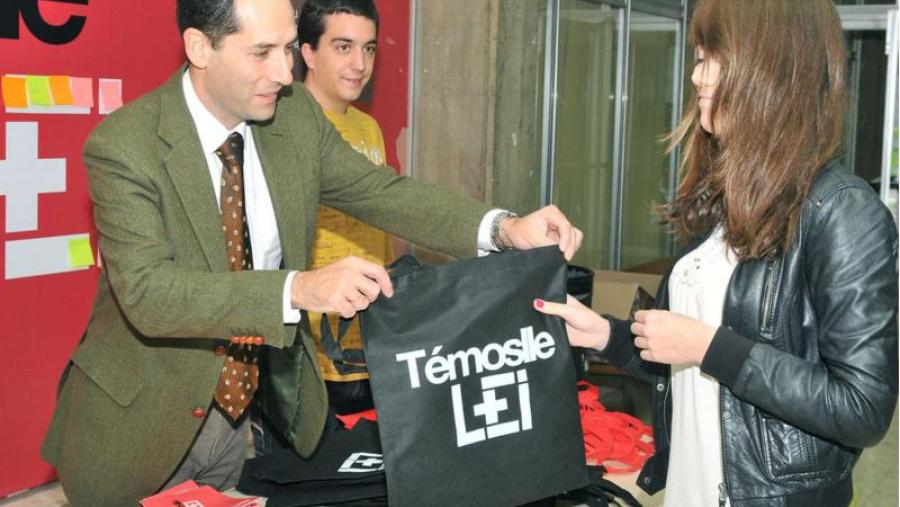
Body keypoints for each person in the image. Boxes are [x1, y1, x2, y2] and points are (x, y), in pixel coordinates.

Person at [39, 0, 582, 505]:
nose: (283, 72)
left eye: (287, 47)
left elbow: (379, 191)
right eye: (261, 53)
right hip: (141, 423)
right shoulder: (125, 145)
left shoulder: (293, 117)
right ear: (200, 48)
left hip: (242, 418)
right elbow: (149, 293)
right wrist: (299, 288)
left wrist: (506, 228)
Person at [535, 0, 898, 506]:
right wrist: (607, 336)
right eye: (698, 56)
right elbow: (689, 362)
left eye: (712, 57)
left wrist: (711, 347)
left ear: (769, 68)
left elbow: (862, 407)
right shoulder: (724, 199)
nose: (695, 75)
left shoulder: (841, 211)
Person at [299, 0, 392, 415]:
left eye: (369, 48)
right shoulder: (284, 127)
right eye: (343, 47)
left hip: (372, 345)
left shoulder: (367, 126)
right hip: (311, 356)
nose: (360, 63)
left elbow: (384, 221)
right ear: (307, 53)